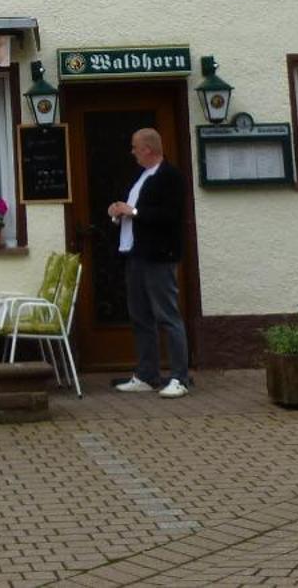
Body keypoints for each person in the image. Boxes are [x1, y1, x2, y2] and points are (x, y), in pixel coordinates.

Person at [106, 126, 190, 397]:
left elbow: (169, 215)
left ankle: (180, 377)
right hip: (136, 254)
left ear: (149, 149)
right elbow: (137, 212)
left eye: (135, 147)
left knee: (167, 315)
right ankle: (147, 374)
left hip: (159, 256)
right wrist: (119, 211)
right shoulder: (142, 177)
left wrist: (134, 211)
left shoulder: (170, 176)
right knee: (141, 317)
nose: (132, 152)